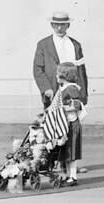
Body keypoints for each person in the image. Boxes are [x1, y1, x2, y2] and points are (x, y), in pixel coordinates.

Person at [32, 12, 89, 171]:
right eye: (55, 24)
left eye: (62, 24)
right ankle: (49, 163)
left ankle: (70, 165)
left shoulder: (75, 45)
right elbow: (38, 70)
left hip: (72, 94)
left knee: (72, 130)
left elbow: (82, 71)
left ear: (68, 25)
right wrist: (46, 89)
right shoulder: (43, 44)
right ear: (51, 25)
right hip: (53, 95)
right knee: (52, 129)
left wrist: (83, 95)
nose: (59, 27)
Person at [54, 61, 86, 186]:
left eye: (58, 74)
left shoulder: (71, 88)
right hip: (65, 124)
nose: (56, 76)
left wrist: (63, 108)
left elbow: (77, 105)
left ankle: (73, 176)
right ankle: (68, 175)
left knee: (71, 152)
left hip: (72, 125)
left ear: (65, 75)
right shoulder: (63, 88)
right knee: (66, 151)